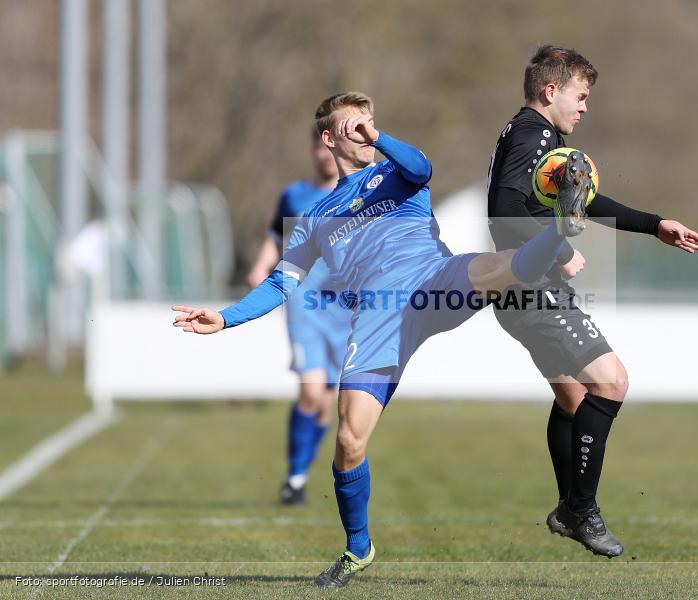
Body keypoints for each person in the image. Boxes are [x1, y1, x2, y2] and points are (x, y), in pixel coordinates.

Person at [172, 91, 596, 588]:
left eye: (370, 122)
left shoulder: (394, 171)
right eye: (354, 126)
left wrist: (379, 138)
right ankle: (358, 550)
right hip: (379, 319)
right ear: (329, 138)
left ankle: (560, 229)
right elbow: (280, 284)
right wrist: (225, 319)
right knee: (349, 440)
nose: (366, 132)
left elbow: (423, 166)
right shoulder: (314, 217)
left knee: (497, 266)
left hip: (434, 280)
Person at [486, 45, 698, 557]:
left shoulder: (536, 138)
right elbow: (503, 210)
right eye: (579, 96)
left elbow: (584, 200)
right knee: (612, 380)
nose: (584, 107)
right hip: (531, 287)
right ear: (551, 91)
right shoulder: (533, 134)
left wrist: (654, 225)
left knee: (572, 398)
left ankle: (571, 507)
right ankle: (579, 510)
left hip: (519, 289)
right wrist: (558, 247)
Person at [244, 128, 349, 505]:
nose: (324, 154)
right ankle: (295, 478)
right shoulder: (295, 195)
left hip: (345, 308)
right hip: (304, 301)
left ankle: (301, 471)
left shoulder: (359, 193)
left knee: (324, 402)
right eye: (318, 146)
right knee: (309, 390)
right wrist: (260, 268)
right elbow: (275, 236)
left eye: (330, 147)